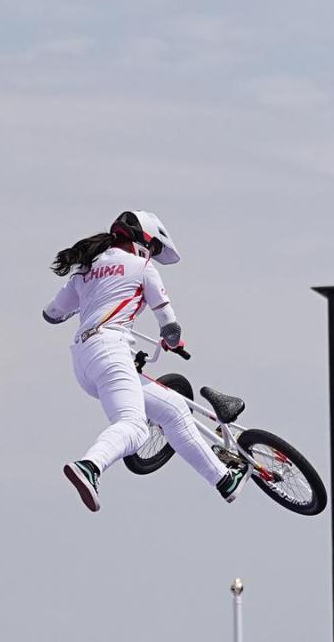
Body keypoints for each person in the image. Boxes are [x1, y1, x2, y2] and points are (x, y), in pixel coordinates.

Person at [43, 210, 249, 512]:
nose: (151, 255)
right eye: (153, 248)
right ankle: (90, 466)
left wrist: (91, 297)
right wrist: (172, 342)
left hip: (84, 362)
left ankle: (223, 479)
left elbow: (51, 315)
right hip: (110, 351)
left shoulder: (85, 271)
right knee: (135, 427)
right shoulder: (142, 267)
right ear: (144, 241)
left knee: (176, 409)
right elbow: (170, 325)